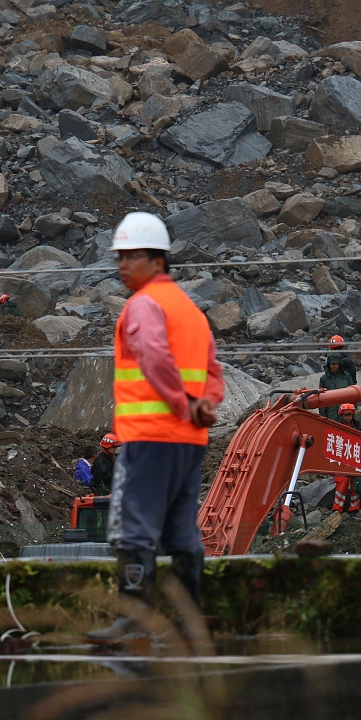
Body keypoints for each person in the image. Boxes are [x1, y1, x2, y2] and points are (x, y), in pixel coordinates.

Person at [86, 212, 224, 646]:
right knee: (183, 529)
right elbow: (214, 373)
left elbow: (153, 357)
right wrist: (203, 406)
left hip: (148, 436)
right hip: (188, 443)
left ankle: (135, 622)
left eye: (131, 256)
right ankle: (189, 623)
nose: (122, 265)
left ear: (158, 260)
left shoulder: (143, 305)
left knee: (133, 525)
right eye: (120, 257)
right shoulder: (190, 310)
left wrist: (182, 403)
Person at [330, 403, 361, 513]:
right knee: (342, 481)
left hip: (354, 457)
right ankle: (337, 508)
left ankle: (354, 508)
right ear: (342, 415)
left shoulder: (358, 427)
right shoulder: (337, 425)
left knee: (356, 482)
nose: (348, 417)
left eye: (349, 415)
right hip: (341, 457)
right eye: (346, 415)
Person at [319, 340, 356, 423]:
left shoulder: (346, 376)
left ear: (339, 364)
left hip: (345, 414)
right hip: (331, 413)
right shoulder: (324, 379)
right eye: (332, 364)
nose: (334, 366)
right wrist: (323, 418)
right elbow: (321, 400)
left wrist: (352, 411)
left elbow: (353, 395)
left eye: (336, 364)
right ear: (329, 365)